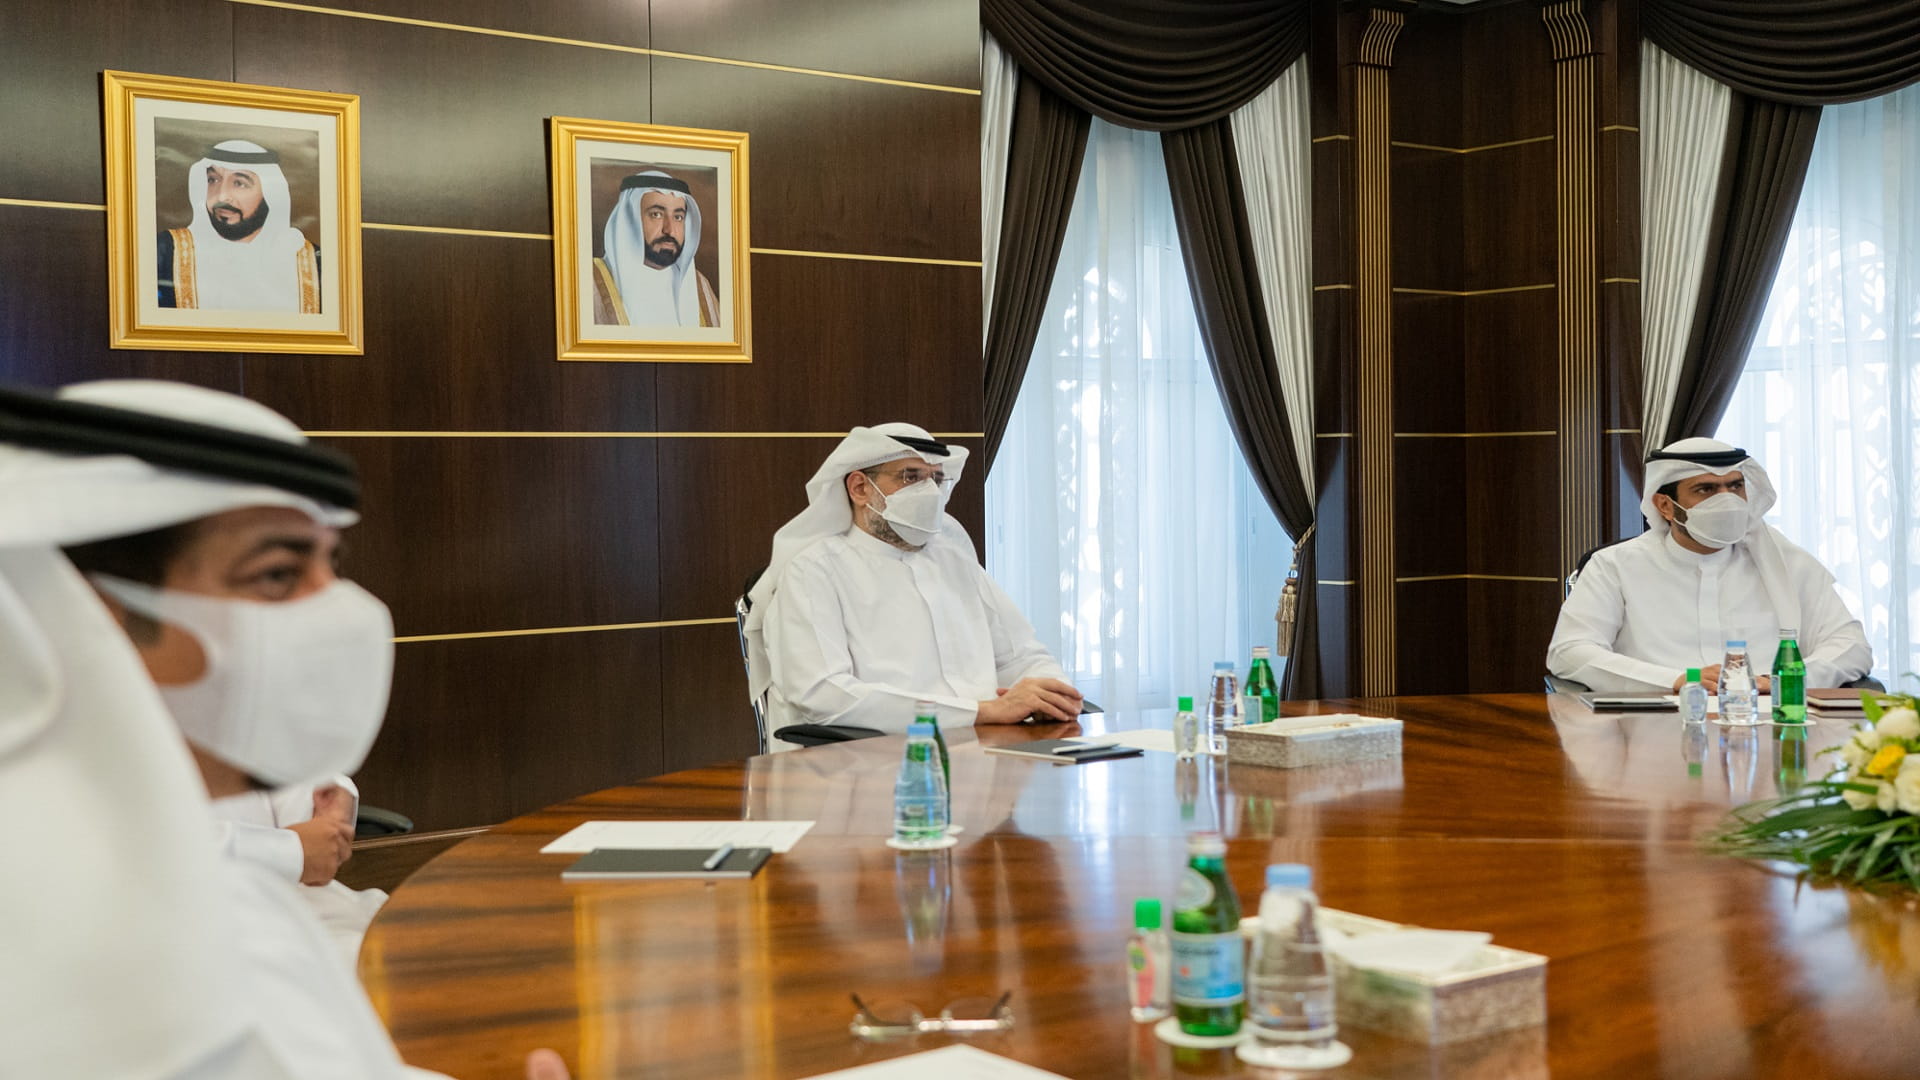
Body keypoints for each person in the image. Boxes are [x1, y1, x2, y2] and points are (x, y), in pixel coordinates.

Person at [0, 379, 567, 1080]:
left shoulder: (185, 874)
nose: (340, 613)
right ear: (93, 619)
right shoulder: (60, 933)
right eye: (276, 574)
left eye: (332, 564)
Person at [744, 423, 1082, 742]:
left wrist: (1054, 697)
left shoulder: (955, 560)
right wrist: (980, 712)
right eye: (911, 477)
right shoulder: (813, 571)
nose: (930, 491)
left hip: (987, 750)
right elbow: (822, 694)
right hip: (874, 767)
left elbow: (1019, 655)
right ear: (860, 488)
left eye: (936, 478)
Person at [1547, 437, 1872, 694]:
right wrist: (1676, 679)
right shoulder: (1614, 566)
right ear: (1665, 506)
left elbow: (1851, 646)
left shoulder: (1787, 563)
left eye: (1735, 486)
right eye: (1706, 490)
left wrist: (1783, 680)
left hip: (1766, 723)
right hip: (1652, 726)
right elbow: (1569, 652)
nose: (1727, 499)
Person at [157, 140, 321, 313]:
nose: (222, 196)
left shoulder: (313, 263)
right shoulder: (167, 251)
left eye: (239, 183)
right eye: (213, 180)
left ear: (270, 194)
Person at [592, 170, 720, 328]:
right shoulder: (592, 280)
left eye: (678, 217)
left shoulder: (699, 285)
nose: (670, 230)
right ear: (630, 220)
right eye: (656, 214)